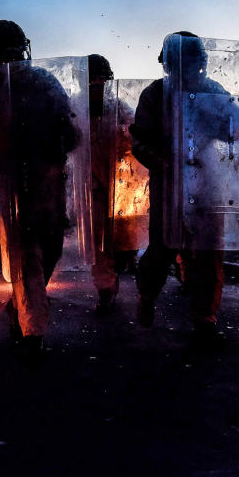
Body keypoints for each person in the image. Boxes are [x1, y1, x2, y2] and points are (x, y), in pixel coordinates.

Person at [0, 19, 81, 359]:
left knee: (46, 253)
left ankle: (22, 306)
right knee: (28, 255)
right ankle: (32, 330)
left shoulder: (44, 82)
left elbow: (71, 133)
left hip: (44, 183)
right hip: (10, 183)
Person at [129, 31, 233, 348]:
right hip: (170, 186)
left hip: (208, 184)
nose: (188, 68)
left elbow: (232, 130)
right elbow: (140, 141)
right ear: (170, 65)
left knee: (208, 255)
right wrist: (164, 165)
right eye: (181, 62)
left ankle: (205, 319)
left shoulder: (213, 91)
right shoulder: (155, 94)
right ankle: (148, 295)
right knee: (162, 250)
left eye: (192, 62)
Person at [88, 53, 139, 315]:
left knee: (123, 240)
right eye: (91, 78)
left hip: (122, 187)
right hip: (94, 189)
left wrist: (124, 133)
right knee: (99, 244)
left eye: (100, 78)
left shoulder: (118, 107)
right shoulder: (78, 109)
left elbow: (133, 133)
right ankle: (105, 290)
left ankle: (126, 262)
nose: (96, 83)